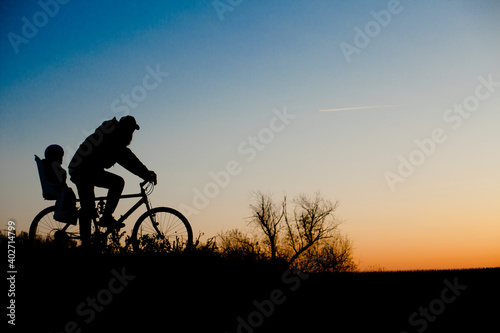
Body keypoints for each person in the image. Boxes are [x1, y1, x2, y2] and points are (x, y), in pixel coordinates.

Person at [69, 116, 156, 246]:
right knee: (116, 183)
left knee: (90, 206)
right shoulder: (113, 138)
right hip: (83, 171)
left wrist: (145, 173)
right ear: (126, 129)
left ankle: (90, 238)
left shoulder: (111, 134)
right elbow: (128, 160)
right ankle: (100, 225)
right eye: (131, 130)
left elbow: (127, 157)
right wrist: (146, 174)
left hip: (86, 169)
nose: (131, 134)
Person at [42, 144, 77, 224]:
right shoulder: (54, 168)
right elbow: (60, 180)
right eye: (60, 156)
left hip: (56, 187)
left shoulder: (48, 165)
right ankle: (67, 214)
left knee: (69, 193)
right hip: (57, 188)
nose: (61, 159)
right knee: (69, 193)